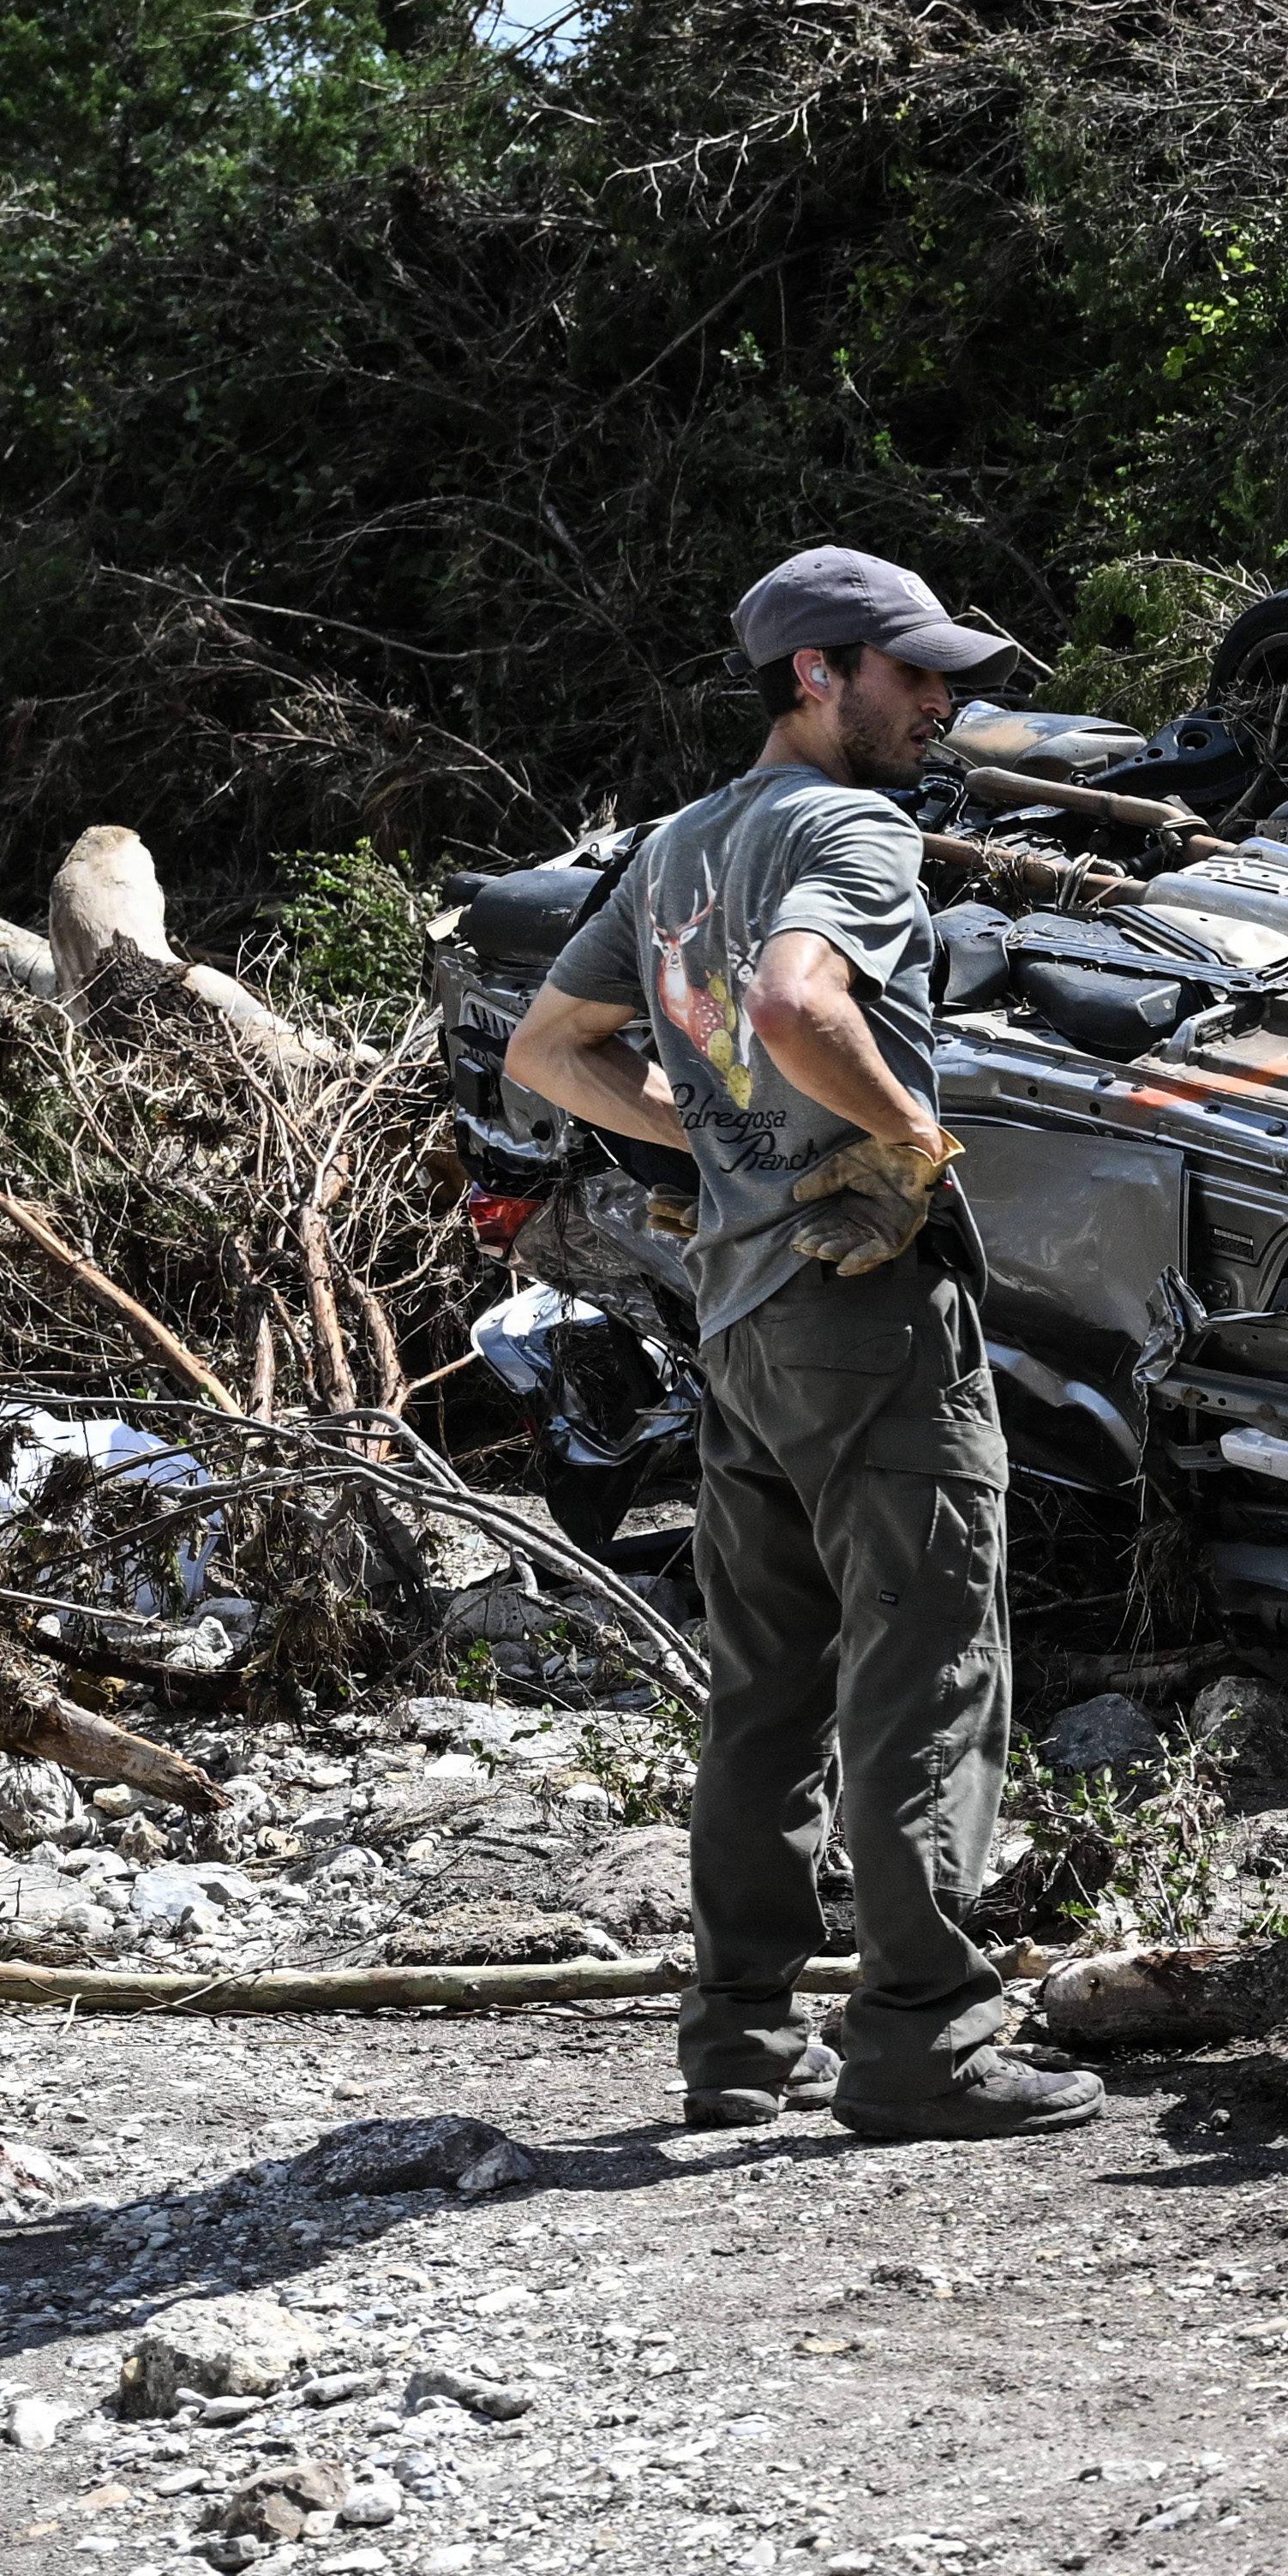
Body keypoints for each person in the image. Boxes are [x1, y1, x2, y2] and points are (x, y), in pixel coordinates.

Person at [502, 548, 1105, 2142]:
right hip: (866, 1312)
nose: (942, 701)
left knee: (767, 1690)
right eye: (912, 673)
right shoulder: (850, 825)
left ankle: (738, 2045)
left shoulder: (671, 849)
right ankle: (921, 2037)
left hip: (746, 1322)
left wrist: (719, 1166)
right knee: (924, 1666)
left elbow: (548, 1052)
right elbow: (787, 1002)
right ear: (817, 676)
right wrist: (912, 1140)